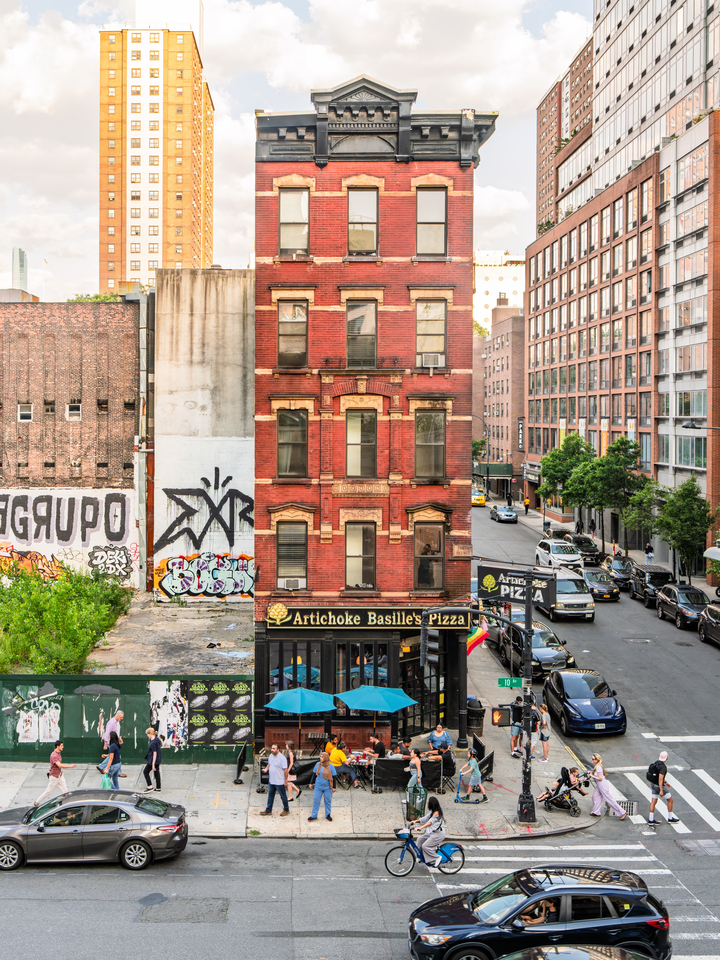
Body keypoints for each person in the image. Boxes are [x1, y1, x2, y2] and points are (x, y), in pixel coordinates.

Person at [34, 740, 76, 806]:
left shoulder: (58, 753)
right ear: (57, 746)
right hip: (54, 777)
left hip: (60, 775)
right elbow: (59, 765)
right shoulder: (54, 755)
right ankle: (36, 802)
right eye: (61, 746)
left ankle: (68, 804)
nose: (63, 747)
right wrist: (70, 766)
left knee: (65, 791)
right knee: (48, 792)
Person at [410, 796, 446, 867]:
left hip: (438, 835)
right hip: (432, 833)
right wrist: (415, 821)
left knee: (425, 846)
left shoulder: (436, 813)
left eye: (428, 803)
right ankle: (421, 857)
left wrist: (420, 827)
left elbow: (429, 823)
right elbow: (425, 818)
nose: (427, 804)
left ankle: (437, 857)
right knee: (420, 840)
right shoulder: (433, 812)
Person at [589, 753, 627, 819]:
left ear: (597, 760)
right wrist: (591, 773)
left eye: (593, 759)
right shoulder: (598, 766)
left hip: (602, 784)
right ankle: (596, 812)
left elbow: (600, 778)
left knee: (609, 799)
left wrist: (592, 776)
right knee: (595, 796)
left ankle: (623, 812)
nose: (592, 760)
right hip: (599, 785)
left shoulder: (598, 767)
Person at [648, 750, 680, 825]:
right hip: (659, 786)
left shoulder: (656, 763)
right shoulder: (663, 767)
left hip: (653, 784)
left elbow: (657, 776)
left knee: (653, 801)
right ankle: (670, 818)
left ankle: (651, 819)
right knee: (670, 800)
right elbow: (660, 778)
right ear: (666, 758)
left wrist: (666, 782)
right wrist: (661, 790)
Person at [260, 743, 290, 817]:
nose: (272, 750)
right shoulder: (270, 756)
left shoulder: (282, 758)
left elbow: (285, 770)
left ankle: (286, 809)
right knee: (270, 795)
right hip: (271, 781)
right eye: (271, 748)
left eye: (274, 748)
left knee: (283, 796)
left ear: (278, 750)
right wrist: (266, 769)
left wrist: (285, 781)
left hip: (279, 782)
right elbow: (269, 764)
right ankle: (268, 810)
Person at [308, 752, 336, 821]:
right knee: (316, 800)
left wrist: (334, 787)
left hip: (328, 787)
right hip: (318, 786)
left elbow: (334, 777)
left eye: (322, 757)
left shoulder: (331, 766)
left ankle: (328, 815)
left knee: (328, 801)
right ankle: (314, 815)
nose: (320, 758)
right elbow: (314, 775)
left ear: (326, 758)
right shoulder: (318, 764)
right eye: (320, 756)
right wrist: (311, 783)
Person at [98, 709, 124, 775]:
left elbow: (116, 732)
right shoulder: (111, 723)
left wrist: (119, 738)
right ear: (117, 716)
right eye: (121, 717)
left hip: (115, 741)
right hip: (112, 742)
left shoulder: (117, 722)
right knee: (117, 756)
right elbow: (107, 733)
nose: (121, 718)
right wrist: (105, 744)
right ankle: (119, 772)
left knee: (112, 756)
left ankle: (101, 766)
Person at [143, 727, 162, 793]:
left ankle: (149, 786)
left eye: (147, 734)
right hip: (158, 759)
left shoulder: (153, 743)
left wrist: (153, 764)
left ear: (150, 734)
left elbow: (154, 753)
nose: (147, 736)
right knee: (157, 773)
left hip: (152, 760)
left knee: (145, 771)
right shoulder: (157, 739)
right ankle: (158, 787)